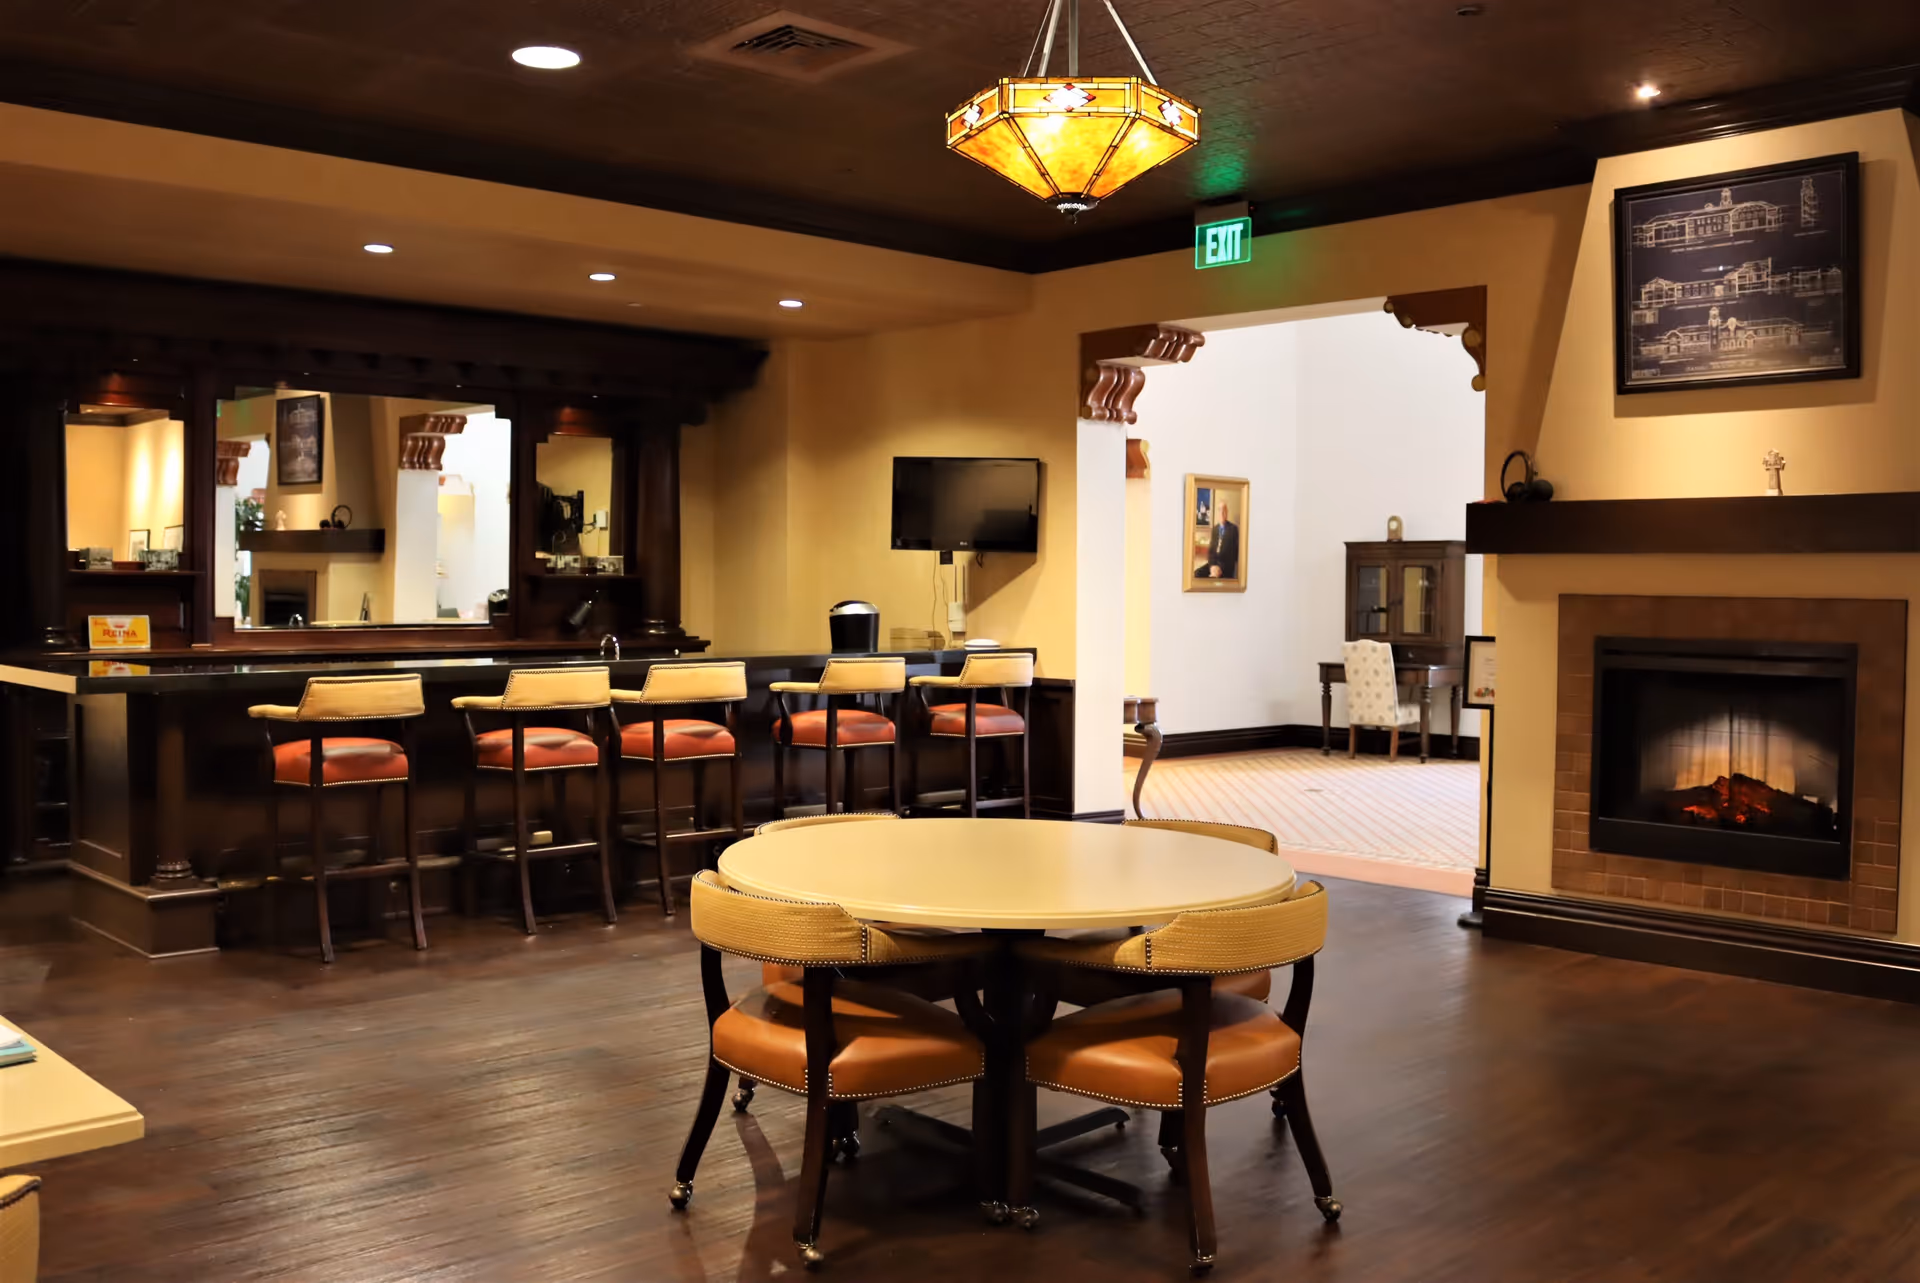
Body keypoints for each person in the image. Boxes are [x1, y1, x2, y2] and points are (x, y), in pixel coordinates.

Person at [1202, 498, 1239, 580]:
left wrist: (1220, 569)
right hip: (1213, 565)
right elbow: (1211, 552)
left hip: (1225, 568)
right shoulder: (1215, 529)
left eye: (1224, 510)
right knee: (1197, 573)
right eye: (1220, 510)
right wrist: (1212, 567)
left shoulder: (1233, 529)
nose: (1222, 513)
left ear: (1227, 512)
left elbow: (1233, 555)